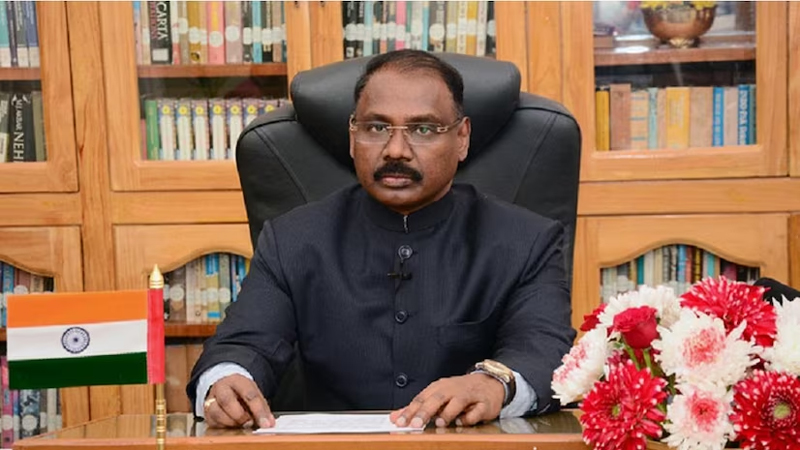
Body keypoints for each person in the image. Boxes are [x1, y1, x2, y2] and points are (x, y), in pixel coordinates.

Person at [186, 49, 576, 430]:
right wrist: (226, 381)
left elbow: (542, 349)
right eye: (376, 128)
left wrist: (494, 384)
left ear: (461, 138)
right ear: (352, 136)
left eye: (423, 129)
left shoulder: (528, 241)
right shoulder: (292, 240)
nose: (395, 151)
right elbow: (244, 345)